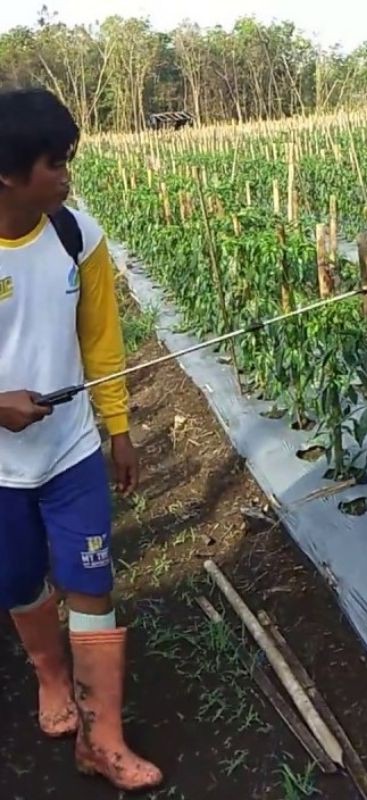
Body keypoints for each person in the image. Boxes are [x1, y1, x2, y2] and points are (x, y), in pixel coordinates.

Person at [0, 88, 162, 792]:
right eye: (54, 163)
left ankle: (104, 738)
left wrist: (118, 429)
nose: (67, 174)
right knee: (19, 581)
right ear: (8, 173)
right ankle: (51, 678)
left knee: (92, 583)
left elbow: (101, 341)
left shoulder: (77, 235)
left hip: (70, 454)